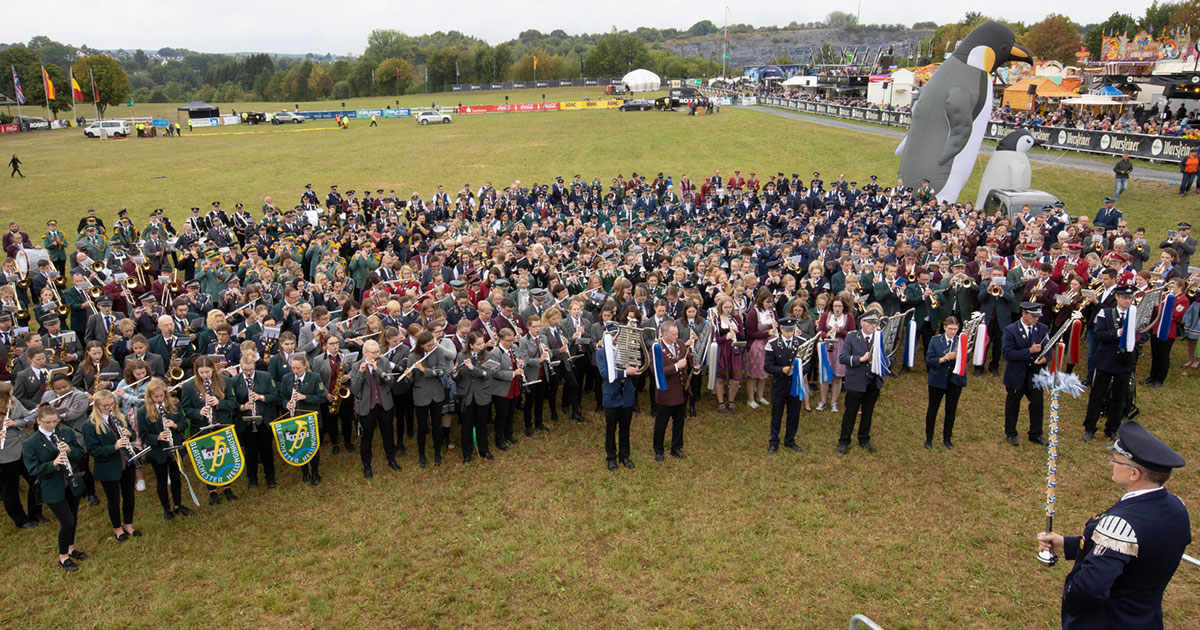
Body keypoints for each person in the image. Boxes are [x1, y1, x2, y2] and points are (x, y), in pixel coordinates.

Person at [1037, 420, 1191, 629]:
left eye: (1116, 460)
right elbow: (1143, 549)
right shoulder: (1177, 507)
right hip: (1146, 619)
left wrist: (1070, 597)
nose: (1111, 463)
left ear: (1133, 473)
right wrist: (1068, 544)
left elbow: (1090, 587)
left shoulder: (1120, 524)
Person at [22, 404, 87, 571]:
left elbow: (82, 455)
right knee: (67, 521)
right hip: (52, 486)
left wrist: (70, 451)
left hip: (71, 483)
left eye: (55, 422)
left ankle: (71, 548)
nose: (52, 426)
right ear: (38, 421)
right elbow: (33, 469)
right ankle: (63, 556)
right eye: (47, 423)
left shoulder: (65, 433)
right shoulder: (31, 443)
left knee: (73, 518)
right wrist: (53, 464)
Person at [82, 390, 141, 542]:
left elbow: (133, 436)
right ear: (97, 406)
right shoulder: (89, 425)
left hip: (127, 462)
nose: (110, 407)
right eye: (105, 405)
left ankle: (128, 524)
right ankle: (117, 529)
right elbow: (93, 450)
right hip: (108, 466)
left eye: (112, 404)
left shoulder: (119, 416)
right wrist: (113, 447)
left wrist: (129, 434)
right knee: (114, 499)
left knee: (129, 496)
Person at [1082, 286, 1139, 442]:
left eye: (1130, 298)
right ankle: (1090, 427)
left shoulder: (1134, 315)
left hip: (1124, 361)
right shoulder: (1106, 313)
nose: (1127, 301)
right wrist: (1117, 333)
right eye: (1124, 297)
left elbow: (1142, 335)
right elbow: (1098, 334)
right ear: (1117, 297)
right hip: (1106, 359)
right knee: (1097, 394)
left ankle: (1112, 428)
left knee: (1119, 396)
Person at [136, 378, 194, 520]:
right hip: (158, 451)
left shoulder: (174, 404)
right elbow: (143, 435)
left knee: (176, 477)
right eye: (155, 397)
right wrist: (157, 437)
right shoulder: (143, 411)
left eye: (161, 396)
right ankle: (166, 509)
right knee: (161, 480)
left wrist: (175, 425)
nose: (159, 399)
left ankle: (178, 505)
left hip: (174, 447)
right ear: (149, 396)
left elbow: (183, 424)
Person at [1001, 302, 1049, 447]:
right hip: (1016, 374)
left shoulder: (1042, 329)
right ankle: (1011, 432)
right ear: (1024, 314)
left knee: (1037, 404)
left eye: (1038, 316)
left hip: (1034, 375)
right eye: (1033, 316)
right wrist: (1029, 351)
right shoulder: (1010, 330)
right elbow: (1007, 353)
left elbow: (1049, 348)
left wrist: (1046, 358)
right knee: (1013, 405)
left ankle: (1035, 433)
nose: (1036, 319)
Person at [350, 340, 400, 477]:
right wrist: (361, 373)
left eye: (378, 351)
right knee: (367, 437)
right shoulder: (356, 366)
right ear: (365, 353)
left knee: (388, 434)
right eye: (373, 353)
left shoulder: (383, 362)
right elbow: (354, 389)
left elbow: (391, 380)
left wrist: (378, 370)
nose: (377, 354)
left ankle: (391, 460)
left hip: (384, 404)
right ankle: (367, 466)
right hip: (367, 406)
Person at [837, 310, 884, 454]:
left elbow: (889, 357)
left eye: (875, 323)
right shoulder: (852, 337)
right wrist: (861, 359)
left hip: (872, 381)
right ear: (862, 322)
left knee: (868, 412)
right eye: (870, 323)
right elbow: (843, 358)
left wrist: (883, 361)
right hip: (856, 381)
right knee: (850, 412)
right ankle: (844, 440)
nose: (873, 326)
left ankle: (864, 439)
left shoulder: (879, 337)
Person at [0, 383, 44, 529]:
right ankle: (21, 520)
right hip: (6, 455)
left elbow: (29, 417)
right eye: (10, 395)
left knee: (36, 481)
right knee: (11, 488)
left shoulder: (14, 401)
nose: (13, 397)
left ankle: (36, 513)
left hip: (24, 448)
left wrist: (16, 422)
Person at [279, 353, 326, 485]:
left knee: (312, 446)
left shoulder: (315, 377)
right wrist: (286, 404)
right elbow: (282, 397)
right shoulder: (287, 379)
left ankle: (315, 472)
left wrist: (305, 397)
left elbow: (321, 397)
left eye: (298, 368)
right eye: (292, 368)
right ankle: (305, 472)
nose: (295, 371)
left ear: (305, 366)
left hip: (310, 418)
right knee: (300, 446)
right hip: (295, 418)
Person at [597, 322, 637, 470]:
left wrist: (634, 368)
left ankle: (625, 456)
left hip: (626, 394)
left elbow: (637, 372)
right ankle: (611, 457)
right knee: (611, 428)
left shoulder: (627, 350)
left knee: (625, 428)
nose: (617, 337)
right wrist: (626, 372)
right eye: (614, 335)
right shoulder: (601, 353)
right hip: (611, 395)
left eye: (618, 335)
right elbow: (605, 374)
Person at [762, 317, 804, 454]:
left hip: (795, 383)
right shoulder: (772, 344)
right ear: (781, 329)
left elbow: (808, 363)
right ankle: (774, 441)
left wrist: (799, 371)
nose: (789, 333)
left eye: (791, 330)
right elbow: (767, 366)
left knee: (794, 414)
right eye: (786, 330)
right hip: (779, 384)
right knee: (777, 414)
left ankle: (790, 440)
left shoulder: (801, 343)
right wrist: (781, 370)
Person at [923, 316, 966, 450]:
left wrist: (960, 355)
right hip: (938, 380)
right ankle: (929, 438)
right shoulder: (936, 340)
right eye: (950, 329)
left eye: (955, 329)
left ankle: (947, 438)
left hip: (954, 381)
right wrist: (943, 359)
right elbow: (929, 360)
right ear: (944, 328)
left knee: (951, 410)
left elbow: (967, 358)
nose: (953, 332)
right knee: (933, 409)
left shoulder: (961, 341)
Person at [453, 332, 494, 463]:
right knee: (466, 426)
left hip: (482, 395)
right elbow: (457, 378)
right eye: (478, 344)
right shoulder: (461, 355)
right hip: (467, 396)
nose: (482, 346)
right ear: (470, 345)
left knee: (482, 425)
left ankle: (484, 450)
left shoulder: (489, 355)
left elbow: (487, 374)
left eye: (482, 343)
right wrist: (455, 373)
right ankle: (467, 454)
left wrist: (473, 368)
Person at [652, 321, 689, 461]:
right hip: (666, 393)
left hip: (680, 390)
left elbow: (687, 358)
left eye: (677, 334)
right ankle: (658, 450)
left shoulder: (679, 343)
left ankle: (676, 447)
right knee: (661, 423)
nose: (676, 337)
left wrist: (694, 363)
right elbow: (656, 371)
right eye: (673, 334)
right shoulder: (656, 348)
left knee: (679, 421)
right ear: (664, 334)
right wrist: (676, 367)